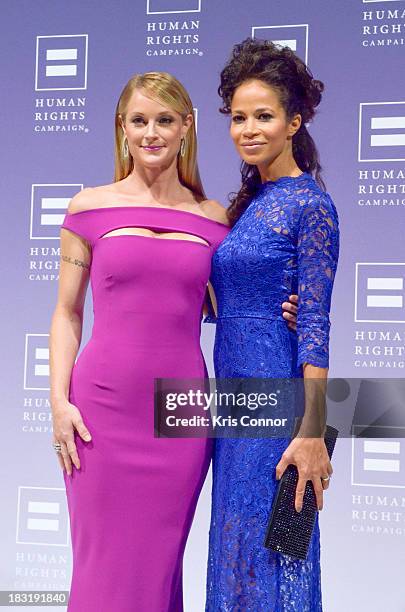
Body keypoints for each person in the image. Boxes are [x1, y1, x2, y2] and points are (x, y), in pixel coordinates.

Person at [49, 71, 230, 612]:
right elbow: (66, 312)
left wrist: (287, 306)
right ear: (122, 128)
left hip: (180, 410)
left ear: (186, 126)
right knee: (100, 562)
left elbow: (234, 310)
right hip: (100, 408)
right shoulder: (88, 208)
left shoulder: (214, 219)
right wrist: (59, 401)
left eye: (164, 120)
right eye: (139, 120)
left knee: (158, 564)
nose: (151, 133)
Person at [205, 39, 340, 610]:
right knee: (234, 547)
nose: (249, 129)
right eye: (239, 117)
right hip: (231, 406)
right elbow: (225, 299)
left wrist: (311, 432)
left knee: (274, 553)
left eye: (264, 116)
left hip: (277, 403)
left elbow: (314, 324)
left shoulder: (311, 205)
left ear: (294, 121)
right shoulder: (249, 203)